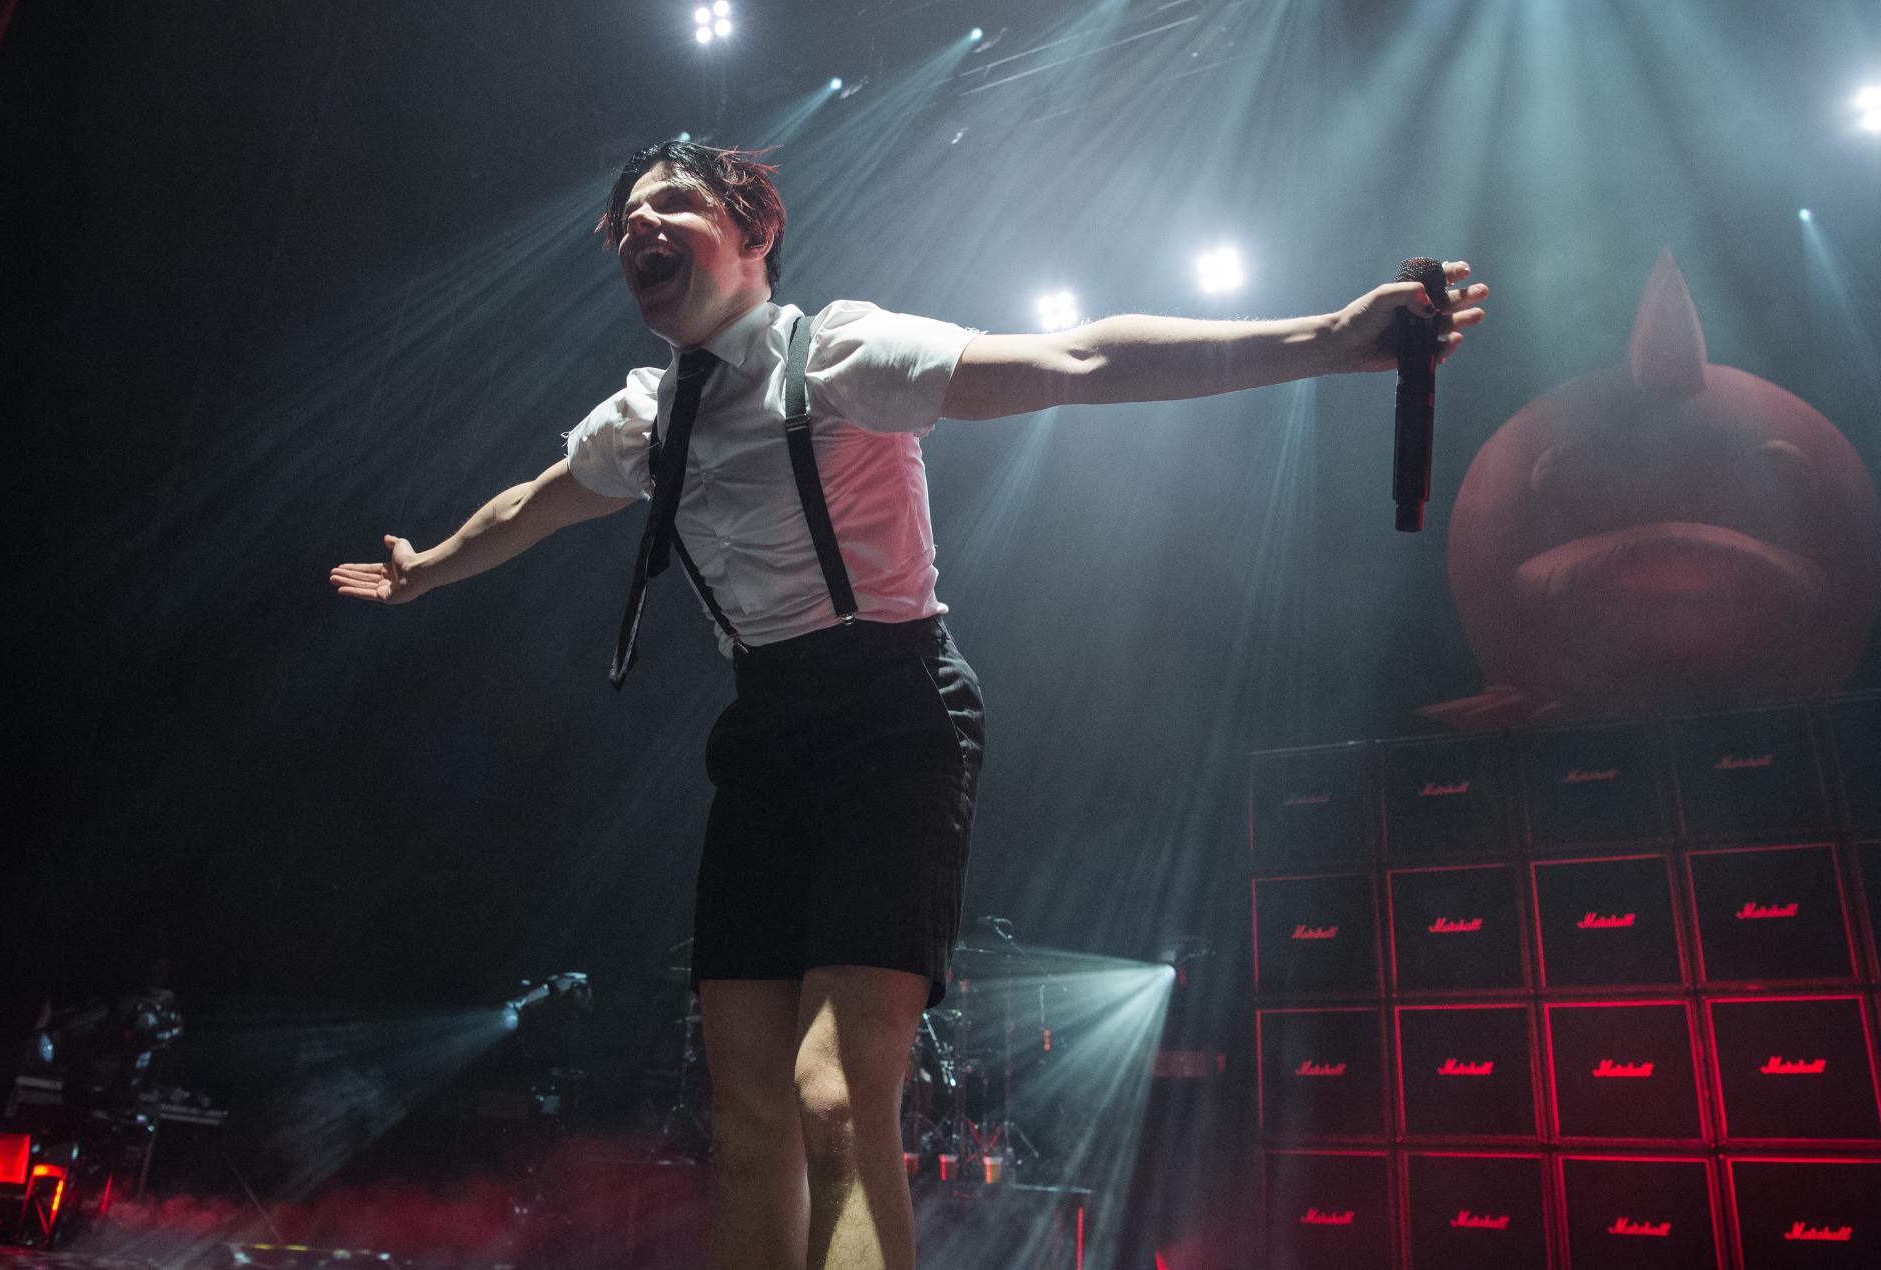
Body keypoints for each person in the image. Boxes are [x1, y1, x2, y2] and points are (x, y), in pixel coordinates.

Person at [329, 140, 1488, 1270]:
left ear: (753, 233)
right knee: (744, 1118)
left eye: (671, 202)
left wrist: (1329, 341)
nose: (639, 226)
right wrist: (427, 565)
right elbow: (534, 503)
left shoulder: (840, 353)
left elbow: (1077, 360)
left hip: (894, 714)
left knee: (835, 1096)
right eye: (626, 218)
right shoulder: (643, 417)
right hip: (764, 732)